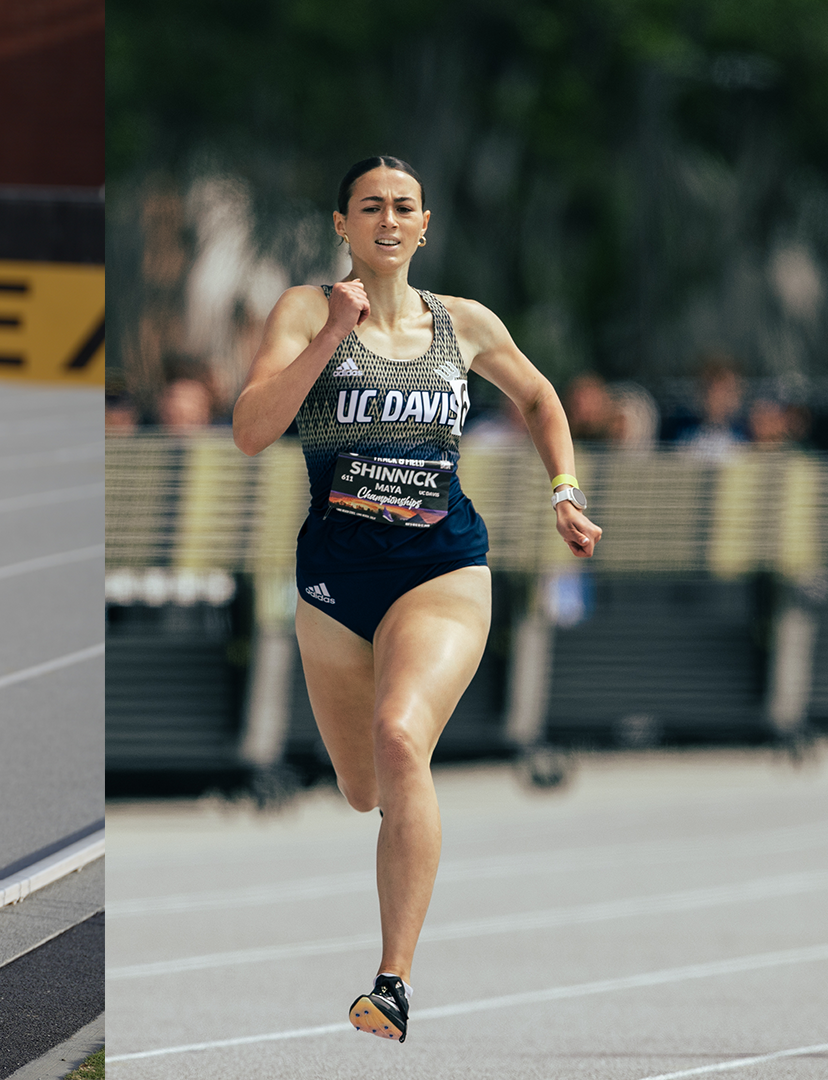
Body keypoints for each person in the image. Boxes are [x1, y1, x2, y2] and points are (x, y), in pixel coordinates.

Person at [231, 156, 601, 1044]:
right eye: (371, 208)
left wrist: (564, 489)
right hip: (333, 582)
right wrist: (330, 338)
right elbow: (250, 431)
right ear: (343, 225)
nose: (388, 220)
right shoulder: (305, 310)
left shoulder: (463, 324)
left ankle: (391, 982)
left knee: (402, 737)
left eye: (403, 207)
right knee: (365, 788)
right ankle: (387, 823)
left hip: (442, 567)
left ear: (424, 225)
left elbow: (542, 396)